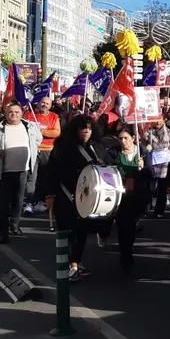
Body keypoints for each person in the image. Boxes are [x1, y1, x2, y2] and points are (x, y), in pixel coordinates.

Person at [46, 114, 109, 281]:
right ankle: (68, 263)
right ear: (75, 130)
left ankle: (75, 263)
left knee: (81, 232)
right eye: (83, 128)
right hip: (65, 194)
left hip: (87, 197)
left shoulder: (98, 147)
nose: (86, 131)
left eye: (89, 128)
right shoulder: (63, 146)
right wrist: (50, 194)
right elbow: (51, 171)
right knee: (66, 231)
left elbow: (108, 168)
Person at [0, 102, 42, 244]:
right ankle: (3, 232)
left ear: (22, 113)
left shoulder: (29, 127)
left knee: (19, 201)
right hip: (4, 172)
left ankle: (14, 223)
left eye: (16, 112)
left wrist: (32, 149)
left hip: (23, 170)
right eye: (10, 112)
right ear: (6, 114)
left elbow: (38, 139)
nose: (13, 114)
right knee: (3, 202)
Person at [97, 125, 150, 271]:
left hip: (136, 195)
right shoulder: (114, 153)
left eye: (126, 138)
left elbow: (151, 173)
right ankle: (125, 257)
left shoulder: (143, 152)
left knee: (130, 227)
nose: (123, 141)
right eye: (120, 138)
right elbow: (106, 169)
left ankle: (128, 250)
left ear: (133, 138)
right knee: (123, 226)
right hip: (119, 195)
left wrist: (144, 167)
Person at [24, 97, 62, 215]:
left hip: (47, 151)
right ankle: (29, 202)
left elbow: (56, 132)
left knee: (44, 179)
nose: (44, 105)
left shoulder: (54, 117)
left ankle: (39, 201)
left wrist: (41, 132)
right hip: (33, 150)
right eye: (42, 103)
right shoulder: (29, 115)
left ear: (50, 106)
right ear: (38, 104)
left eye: (47, 103)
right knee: (31, 178)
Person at [143, 117, 170, 218]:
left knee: (162, 188)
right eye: (155, 120)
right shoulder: (148, 132)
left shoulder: (169, 132)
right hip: (152, 160)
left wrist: (169, 151)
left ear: (164, 120)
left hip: (164, 162)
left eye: (159, 120)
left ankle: (159, 210)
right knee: (149, 187)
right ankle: (146, 209)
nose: (157, 122)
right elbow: (144, 145)